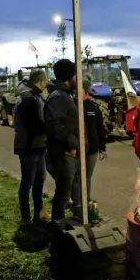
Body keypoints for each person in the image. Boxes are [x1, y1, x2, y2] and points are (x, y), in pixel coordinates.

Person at [44, 58, 85, 221]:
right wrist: (71, 143)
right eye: (75, 74)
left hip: (67, 150)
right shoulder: (58, 96)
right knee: (63, 191)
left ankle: (65, 220)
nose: (77, 78)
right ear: (69, 77)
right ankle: (57, 224)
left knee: (66, 188)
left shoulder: (65, 94)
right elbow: (56, 124)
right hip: (62, 151)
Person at [13, 69, 50, 228]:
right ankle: (26, 218)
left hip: (37, 146)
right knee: (28, 181)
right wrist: (50, 129)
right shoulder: (28, 98)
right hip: (29, 147)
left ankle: (39, 212)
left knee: (40, 178)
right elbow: (33, 125)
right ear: (41, 82)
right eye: (46, 81)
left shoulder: (34, 96)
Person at [70, 76, 108, 212]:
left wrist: (102, 148)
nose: (75, 91)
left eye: (78, 89)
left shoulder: (94, 107)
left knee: (87, 177)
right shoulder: (71, 106)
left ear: (85, 90)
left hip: (91, 150)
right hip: (75, 150)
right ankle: (77, 203)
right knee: (76, 177)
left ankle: (85, 201)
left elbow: (100, 129)